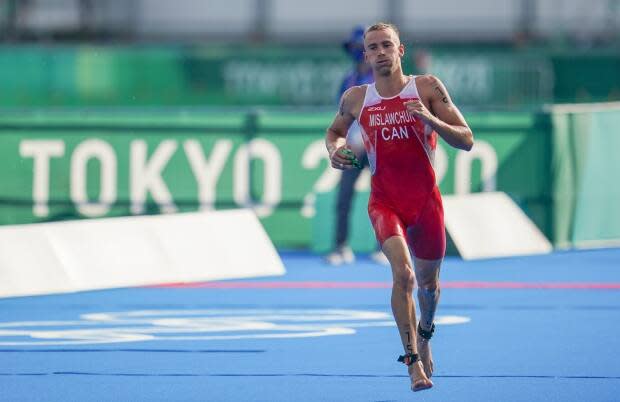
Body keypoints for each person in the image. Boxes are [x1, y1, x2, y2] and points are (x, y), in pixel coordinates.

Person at [324, 22, 473, 392]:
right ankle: (412, 364)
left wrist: (429, 118)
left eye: (386, 45)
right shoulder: (356, 97)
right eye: (372, 47)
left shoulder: (426, 88)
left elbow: (467, 139)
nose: (379, 52)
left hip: (425, 203)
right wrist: (333, 151)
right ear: (366, 54)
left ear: (400, 50)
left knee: (429, 287)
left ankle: (425, 333)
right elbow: (334, 132)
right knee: (403, 276)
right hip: (384, 201)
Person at [325, 25, 388, 266]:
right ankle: (341, 247)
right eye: (352, 49)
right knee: (343, 198)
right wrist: (343, 142)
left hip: (378, 149)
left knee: (383, 199)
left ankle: (384, 247)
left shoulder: (381, 80)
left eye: (359, 49)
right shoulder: (348, 80)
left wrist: (366, 139)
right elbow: (342, 116)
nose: (356, 53)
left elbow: (383, 113)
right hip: (352, 147)